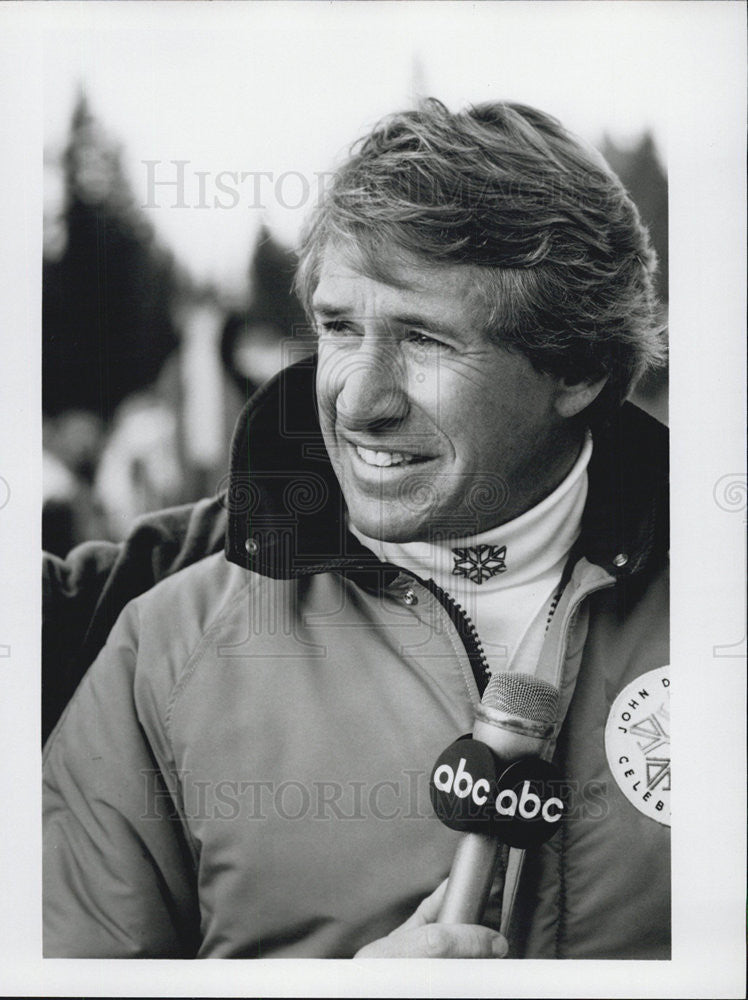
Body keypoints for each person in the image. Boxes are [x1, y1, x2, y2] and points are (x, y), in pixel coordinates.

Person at [43, 99, 669, 959]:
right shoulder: (161, 646)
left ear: (579, 367)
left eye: (425, 339)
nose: (358, 401)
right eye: (339, 328)